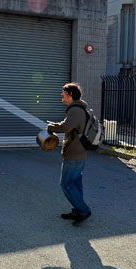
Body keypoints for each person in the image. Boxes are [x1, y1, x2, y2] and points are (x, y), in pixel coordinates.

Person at [47, 82, 92, 225]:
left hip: (74, 153)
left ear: (70, 94)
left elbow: (66, 126)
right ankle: (78, 209)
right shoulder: (77, 109)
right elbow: (69, 125)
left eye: (64, 92)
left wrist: (51, 126)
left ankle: (83, 210)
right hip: (79, 152)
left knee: (66, 183)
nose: (61, 95)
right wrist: (57, 124)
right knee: (76, 182)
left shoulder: (76, 110)